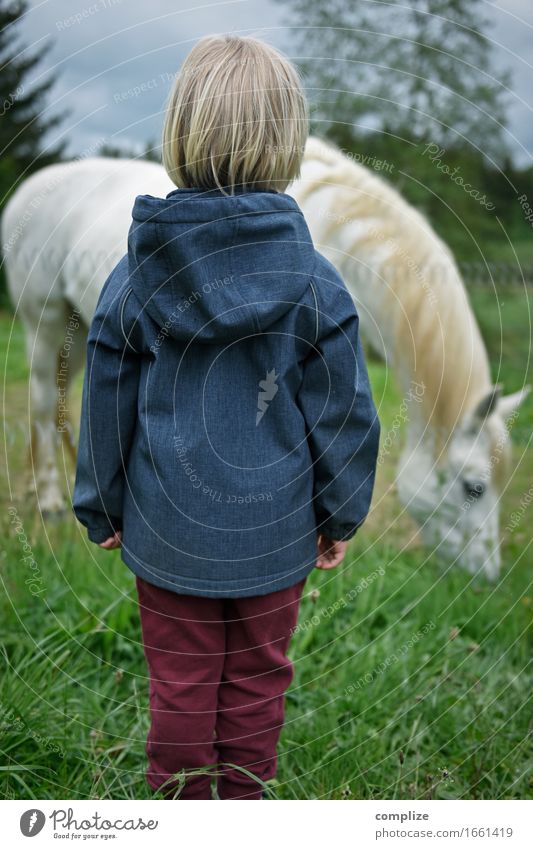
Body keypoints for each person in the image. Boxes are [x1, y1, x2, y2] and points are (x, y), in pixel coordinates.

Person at [73, 33, 380, 801]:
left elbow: (106, 394)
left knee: (180, 683)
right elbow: (343, 408)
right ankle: (242, 808)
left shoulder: (138, 271)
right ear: (289, 142)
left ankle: (182, 810)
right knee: (255, 679)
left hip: (167, 528)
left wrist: (101, 505)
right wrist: (338, 513)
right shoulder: (314, 278)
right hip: (275, 530)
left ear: (181, 133)